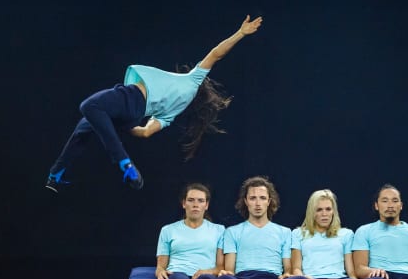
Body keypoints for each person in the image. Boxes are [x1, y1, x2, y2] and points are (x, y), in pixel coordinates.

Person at [45, 15, 263, 192]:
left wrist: (240, 33)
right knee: (84, 128)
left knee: (89, 106)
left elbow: (216, 54)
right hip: (133, 115)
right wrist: (123, 127)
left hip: (130, 98)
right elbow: (145, 133)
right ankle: (55, 176)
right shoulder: (174, 111)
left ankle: (124, 163)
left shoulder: (193, 79)